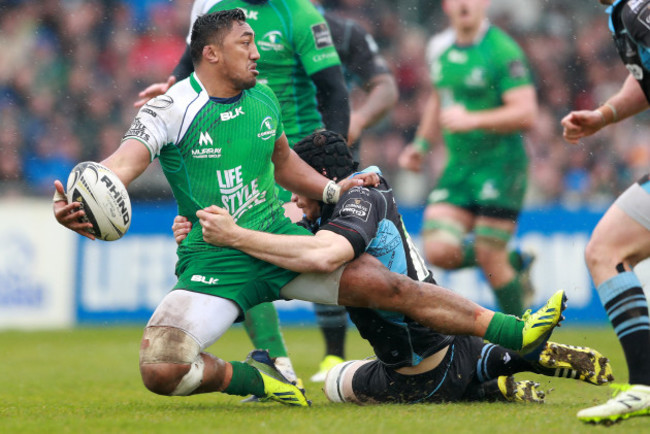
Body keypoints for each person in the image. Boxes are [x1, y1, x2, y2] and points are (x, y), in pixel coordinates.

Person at [54, 11, 566, 408]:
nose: (257, 52)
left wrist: (332, 192)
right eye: (245, 44)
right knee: (161, 371)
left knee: (391, 287)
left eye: (255, 41)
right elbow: (122, 164)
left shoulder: (264, 97)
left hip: (279, 238)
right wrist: (85, 201)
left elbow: (284, 164)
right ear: (210, 54)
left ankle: (513, 330)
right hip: (214, 259)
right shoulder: (169, 108)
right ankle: (262, 378)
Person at [187, 130, 614, 405]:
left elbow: (324, 254)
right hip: (451, 340)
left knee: (336, 383)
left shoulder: (359, 201)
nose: (295, 196)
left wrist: (235, 236)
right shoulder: (365, 190)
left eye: (298, 185)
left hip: (417, 369)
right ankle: (505, 364)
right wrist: (203, 227)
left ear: (317, 176)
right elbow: (283, 217)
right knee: (443, 351)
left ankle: (493, 375)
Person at [134, 0, 352, 386]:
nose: (254, 54)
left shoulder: (299, 15)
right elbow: (196, 62)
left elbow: (334, 90)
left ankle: (367, 351)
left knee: (350, 265)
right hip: (235, 142)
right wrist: (171, 92)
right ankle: (280, 369)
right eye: (246, 46)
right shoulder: (212, 9)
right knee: (237, 234)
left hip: (296, 150)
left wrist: (335, 163)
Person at [398, 0, 538, 317]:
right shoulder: (438, 47)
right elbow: (439, 97)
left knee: (490, 255)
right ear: (446, 5)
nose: (465, 3)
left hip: (501, 166)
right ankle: (515, 262)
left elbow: (527, 112)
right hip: (460, 167)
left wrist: (473, 119)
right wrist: (421, 144)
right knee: (438, 250)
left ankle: (518, 345)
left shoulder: (503, 50)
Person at [560, 0, 650, 424]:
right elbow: (644, 83)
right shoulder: (622, 11)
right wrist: (604, 115)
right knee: (606, 250)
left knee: (606, 250)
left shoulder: (638, 7)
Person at [308, 2, 399, 382]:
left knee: (332, 245)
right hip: (277, 152)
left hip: (333, 158)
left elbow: (385, 86)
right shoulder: (255, 32)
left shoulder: (343, 33)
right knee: (307, 243)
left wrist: (357, 119)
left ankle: (376, 347)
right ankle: (314, 354)